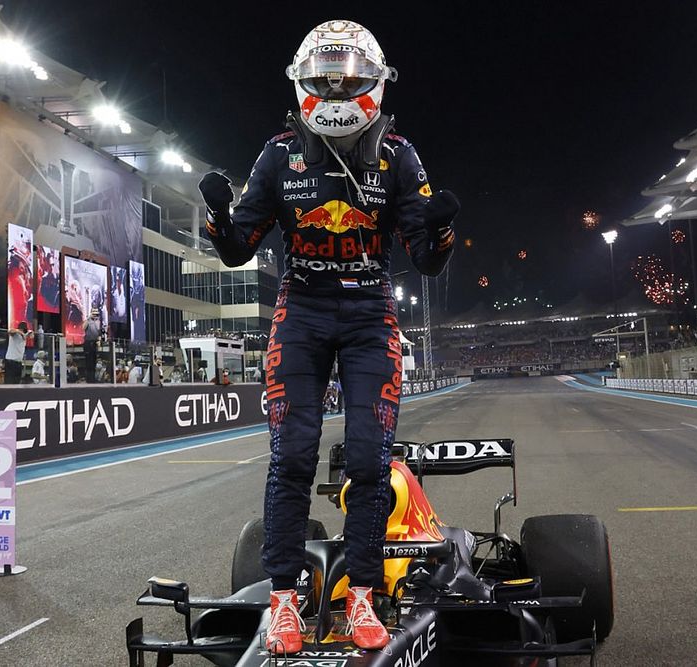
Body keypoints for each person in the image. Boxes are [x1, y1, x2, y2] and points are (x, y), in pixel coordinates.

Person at [198, 20, 457, 655]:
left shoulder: (399, 155)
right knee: (292, 456)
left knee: (370, 460)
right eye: (327, 74)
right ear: (304, 79)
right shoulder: (276, 154)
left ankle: (364, 598)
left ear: (372, 78)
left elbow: (424, 258)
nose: (338, 86)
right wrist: (217, 218)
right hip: (302, 310)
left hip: (371, 314)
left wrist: (443, 233)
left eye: (348, 74)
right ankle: (284, 601)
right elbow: (238, 250)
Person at [83, 309, 101, 383]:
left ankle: (93, 379)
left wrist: (99, 341)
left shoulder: (98, 321)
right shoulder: (87, 321)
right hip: (88, 342)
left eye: (96, 314)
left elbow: (98, 332)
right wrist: (89, 318)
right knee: (88, 362)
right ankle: (88, 379)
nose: (95, 315)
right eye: (94, 314)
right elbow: (83, 328)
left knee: (94, 362)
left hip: (95, 343)